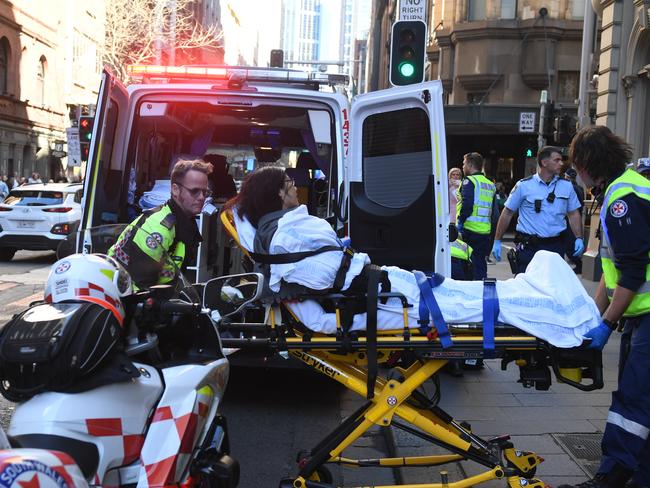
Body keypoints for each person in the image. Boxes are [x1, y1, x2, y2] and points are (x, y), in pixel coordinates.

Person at [557, 127, 650, 488]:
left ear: (586, 164)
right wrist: (590, 317)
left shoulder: (622, 198)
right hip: (640, 316)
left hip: (645, 315)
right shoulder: (621, 189)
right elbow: (611, 277)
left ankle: (610, 479)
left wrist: (606, 324)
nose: (573, 173)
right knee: (639, 396)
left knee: (633, 400)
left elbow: (631, 272)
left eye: (575, 165)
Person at [109, 158, 213, 290]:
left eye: (205, 192)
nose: (201, 197)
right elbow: (138, 287)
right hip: (124, 296)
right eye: (194, 191)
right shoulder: (159, 228)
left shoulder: (186, 223)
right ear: (175, 190)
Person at [491, 146, 584, 274]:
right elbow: (507, 213)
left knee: (552, 286)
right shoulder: (524, 185)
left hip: (555, 246)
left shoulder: (566, 186)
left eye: (561, 160)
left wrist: (579, 237)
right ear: (544, 162)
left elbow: (573, 214)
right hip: (529, 246)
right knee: (525, 285)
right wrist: (497, 239)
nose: (561, 163)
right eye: (557, 160)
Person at [455, 152, 496, 279]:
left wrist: (460, 222)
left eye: (464, 164)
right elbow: (494, 212)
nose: (463, 167)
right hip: (484, 231)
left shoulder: (469, 181)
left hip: (469, 230)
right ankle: (482, 287)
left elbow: (467, 205)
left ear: (470, 165)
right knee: (480, 263)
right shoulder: (489, 184)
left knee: (466, 264)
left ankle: (471, 290)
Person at [563, 167, 585, 274]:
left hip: (570, 219)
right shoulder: (580, 188)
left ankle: (579, 264)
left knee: (569, 244)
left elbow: (570, 207)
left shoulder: (570, 188)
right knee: (571, 242)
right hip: (578, 217)